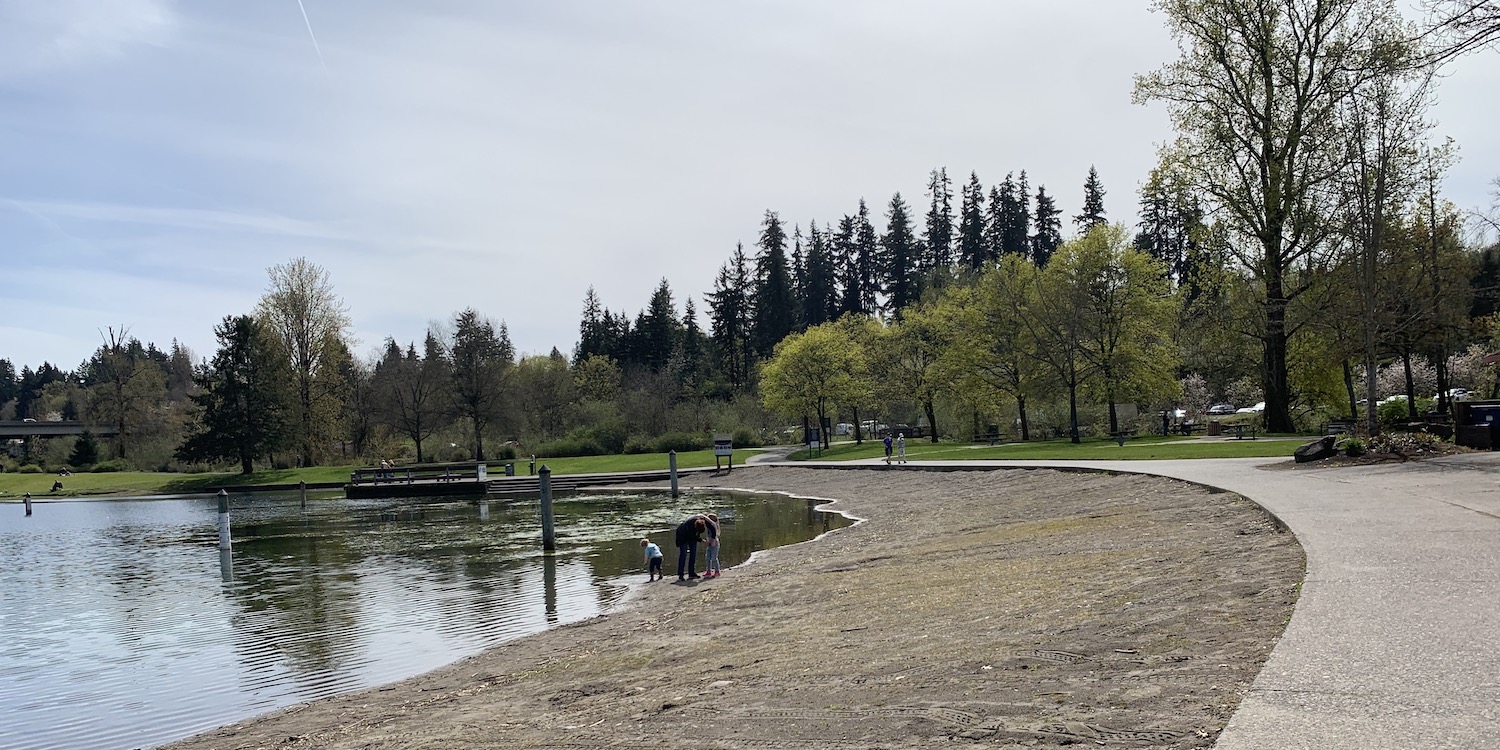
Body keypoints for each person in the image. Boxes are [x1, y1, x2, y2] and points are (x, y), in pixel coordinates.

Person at [674, 515, 706, 581]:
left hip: (692, 536)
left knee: (693, 553)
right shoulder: (690, 525)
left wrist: (699, 537)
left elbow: (696, 534)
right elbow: (693, 535)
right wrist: (701, 540)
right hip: (682, 536)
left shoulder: (700, 522)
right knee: (683, 554)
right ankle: (681, 574)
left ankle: (691, 573)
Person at [703, 513, 722, 578]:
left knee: (714, 558)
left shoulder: (714, 526)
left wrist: (712, 542)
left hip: (715, 544)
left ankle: (717, 571)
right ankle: (708, 571)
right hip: (709, 544)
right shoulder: (708, 527)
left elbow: (714, 536)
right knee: (707, 558)